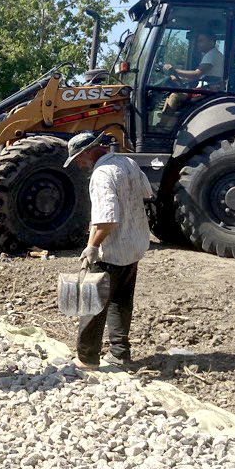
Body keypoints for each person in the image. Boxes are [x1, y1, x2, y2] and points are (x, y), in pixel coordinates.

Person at [66, 130, 153, 370]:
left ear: (88, 152)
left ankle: (86, 358)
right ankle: (119, 354)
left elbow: (106, 219)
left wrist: (92, 246)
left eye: (78, 159)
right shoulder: (128, 162)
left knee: (92, 304)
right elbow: (146, 193)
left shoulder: (102, 174)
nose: (79, 164)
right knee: (121, 301)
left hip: (112, 251)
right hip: (134, 245)